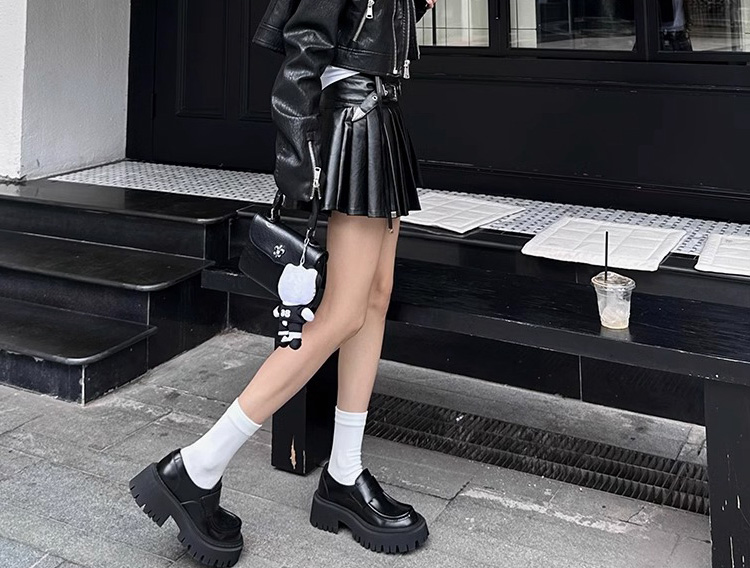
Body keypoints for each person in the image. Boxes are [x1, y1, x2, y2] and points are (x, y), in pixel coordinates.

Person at [128, 0, 438, 566]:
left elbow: (369, 29)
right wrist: (301, 158)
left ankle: (344, 471)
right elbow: (304, 48)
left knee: (374, 299)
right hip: (354, 119)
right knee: (343, 312)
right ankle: (197, 465)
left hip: (381, 115)